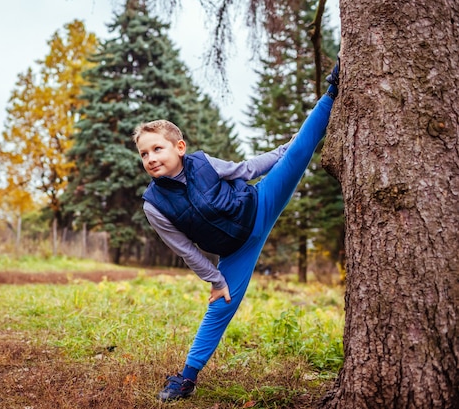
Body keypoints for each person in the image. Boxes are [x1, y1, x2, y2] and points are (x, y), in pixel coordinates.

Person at [132, 59, 340, 402]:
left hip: (261, 202)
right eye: (144, 154)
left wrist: (286, 150)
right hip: (236, 253)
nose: (151, 157)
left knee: (300, 152)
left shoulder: (202, 162)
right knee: (220, 306)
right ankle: (186, 379)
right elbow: (186, 250)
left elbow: (245, 169)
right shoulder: (154, 205)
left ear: (178, 147)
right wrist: (216, 280)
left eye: (158, 148)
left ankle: (333, 91)